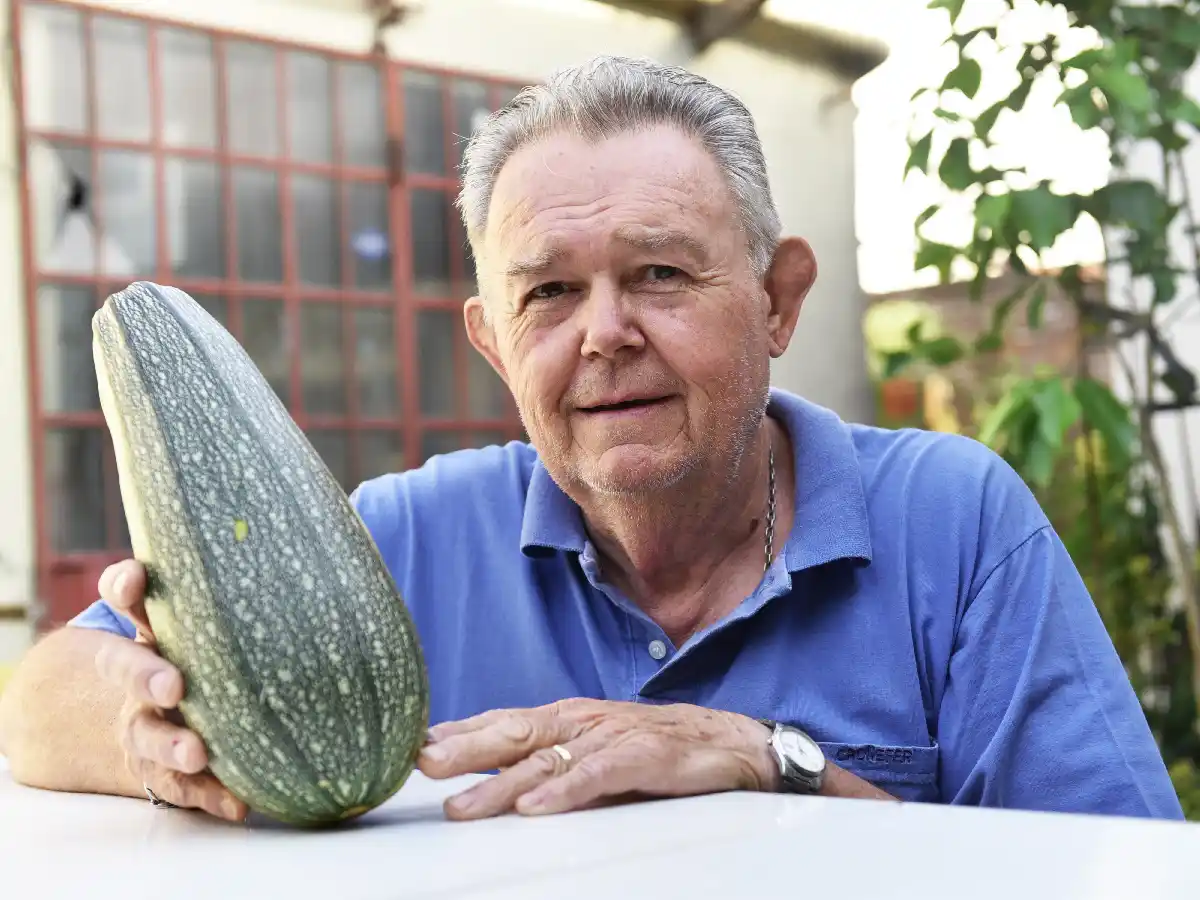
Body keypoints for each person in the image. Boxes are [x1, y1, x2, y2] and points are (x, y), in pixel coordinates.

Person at [0, 55, 1184, 824]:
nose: (604, 335)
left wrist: (780, 765)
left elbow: (1115, 871)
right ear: (492, 341)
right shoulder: (401, 536)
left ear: (778, 300)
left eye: (660, 273)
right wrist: (145, 720)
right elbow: (32, 700)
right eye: (550, 295)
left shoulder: (955, 519)